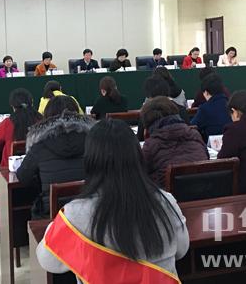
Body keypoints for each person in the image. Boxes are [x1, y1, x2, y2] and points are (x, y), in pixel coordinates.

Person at [36, 119, 189, 282]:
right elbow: (182, 249)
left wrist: (54, 226)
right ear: (137, 157)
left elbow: (47, 260)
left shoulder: (75, 214)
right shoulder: (166, 202)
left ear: (90, 161)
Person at [17, 95, 94, 219]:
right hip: (89, 211)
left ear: (47, 117)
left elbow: (23, 177)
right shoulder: (93, 141)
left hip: (52, 215)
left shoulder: (39, 144)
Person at [0, 88, 42, 223]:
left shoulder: (8, 123)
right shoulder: (41, 119)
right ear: (32, 102)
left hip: (11, 173)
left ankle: (3, 227)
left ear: (12, 106)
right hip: (39, 172)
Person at [141, 97, 208, 187]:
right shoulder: (195, 134)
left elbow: (140, 174)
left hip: (168, 194)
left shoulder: (150, 146)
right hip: (204, 189)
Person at [190, 74, 232, 142]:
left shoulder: (204, 109)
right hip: (232, 141)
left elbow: (193, 125)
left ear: (206, 92)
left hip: (212, 145)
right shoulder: (231, 104)